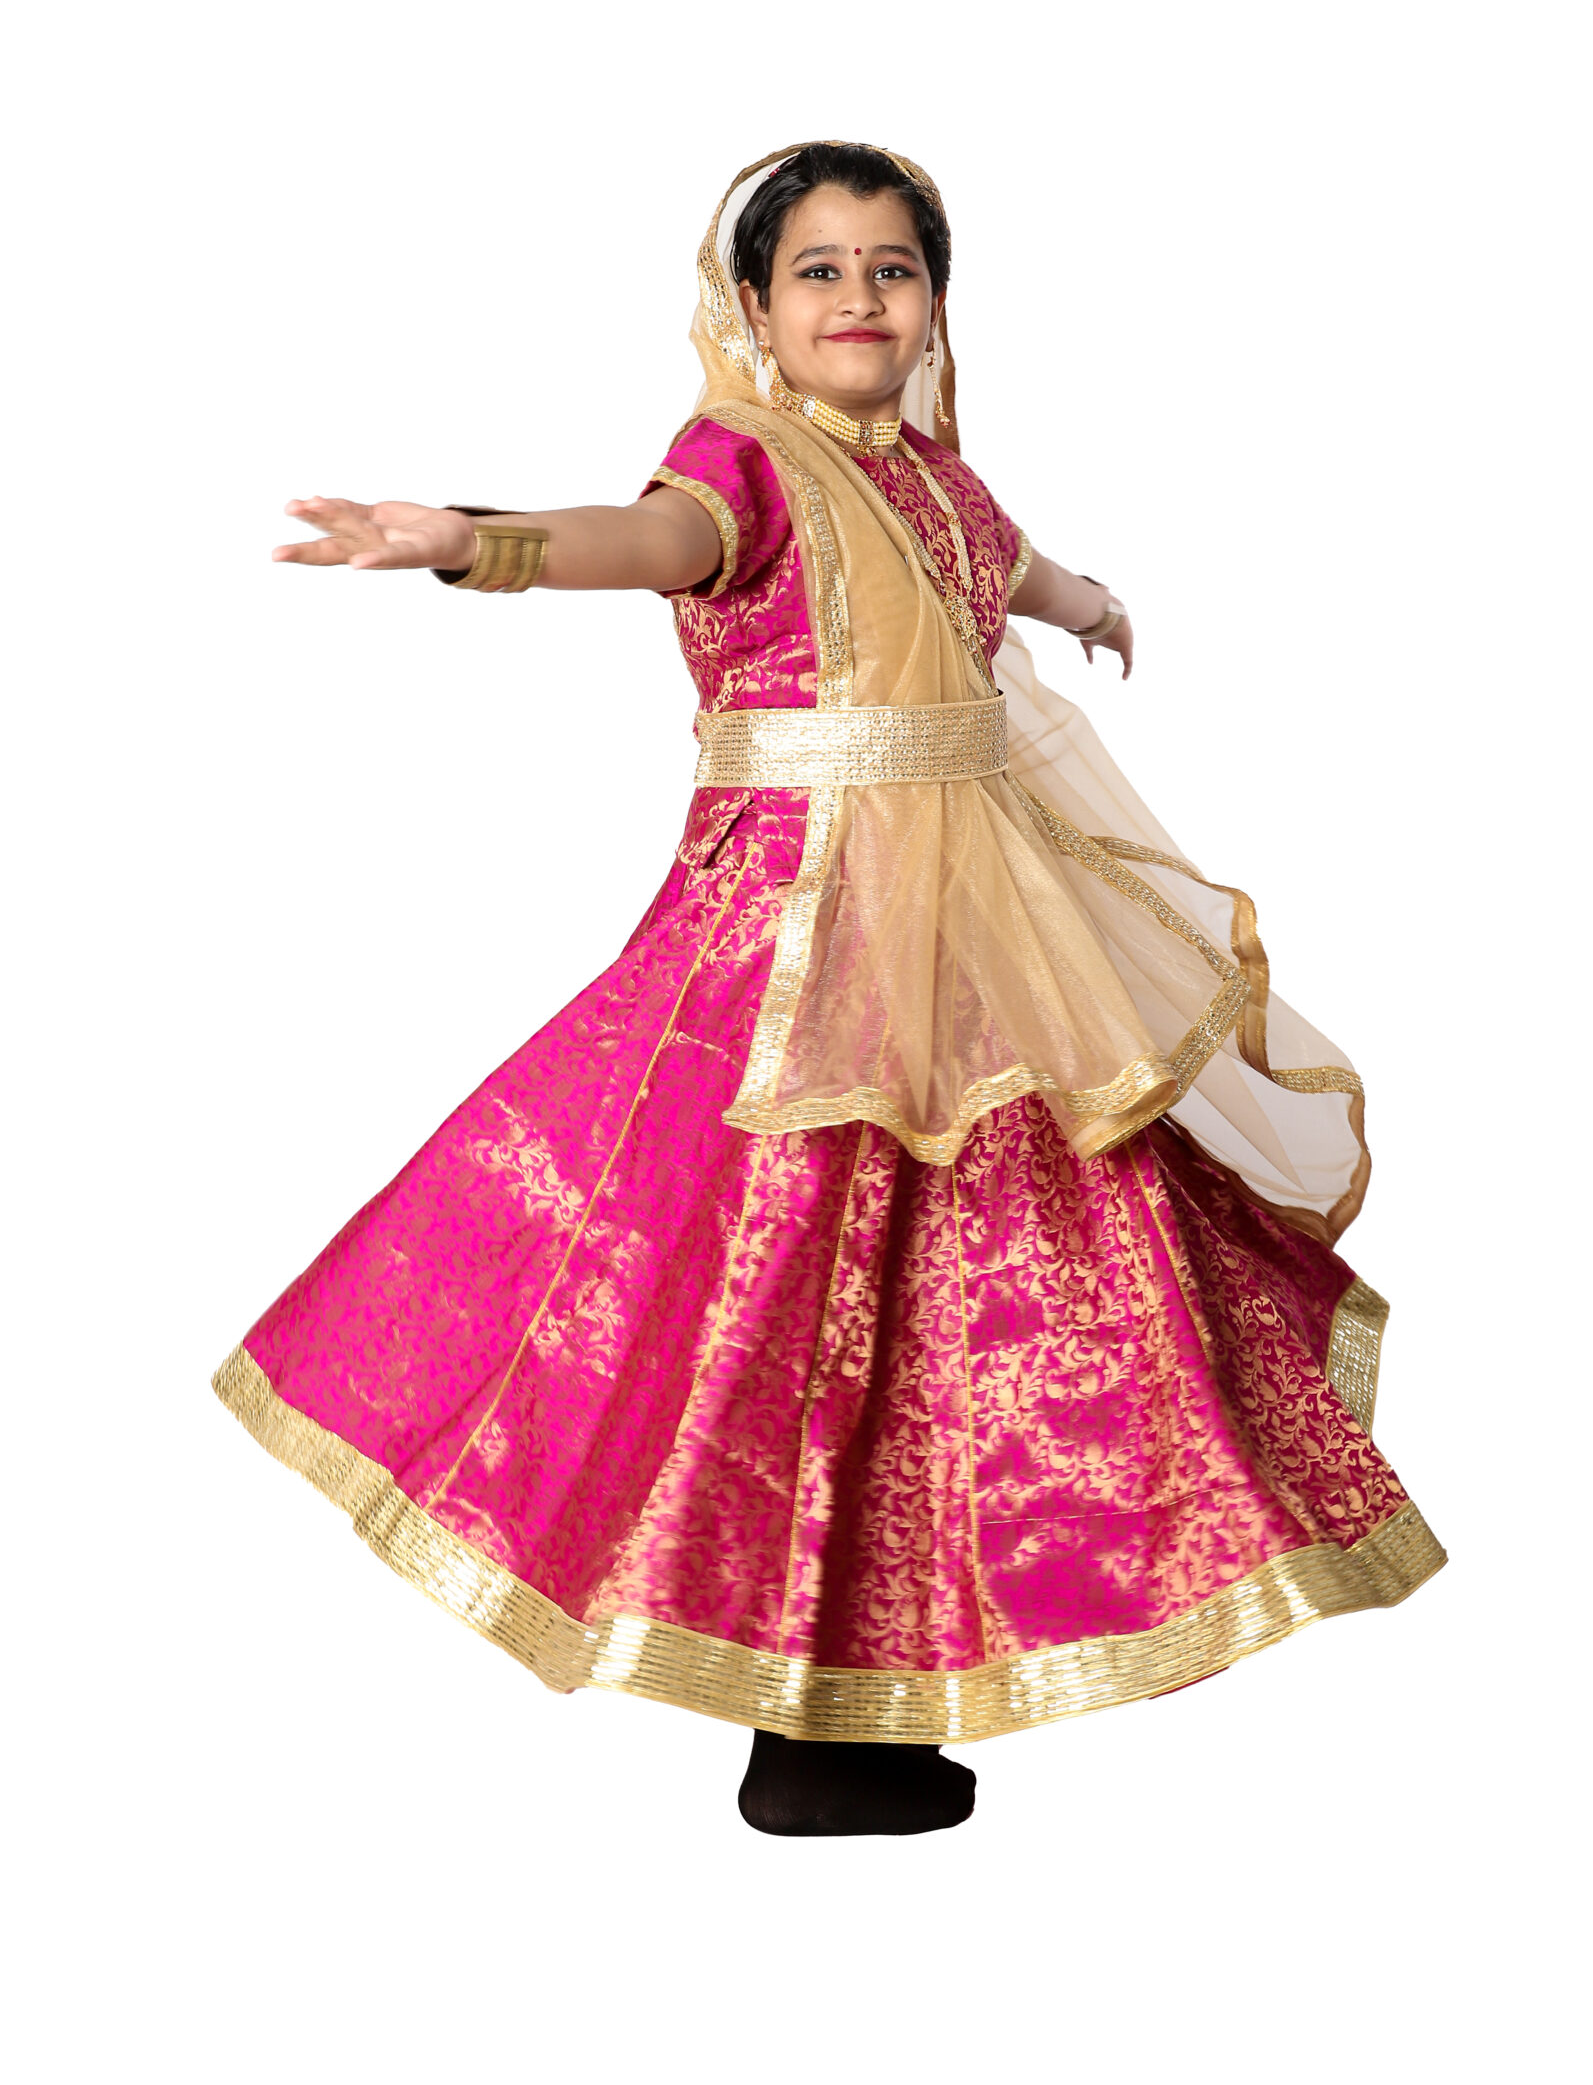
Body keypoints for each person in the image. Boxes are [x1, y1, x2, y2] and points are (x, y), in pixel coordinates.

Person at [215, 140, 1444, 1837]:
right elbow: (646, 540)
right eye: (819, 270)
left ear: (935, 301)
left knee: (977, 1295)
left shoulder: (935, 475)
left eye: (893, 269)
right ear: (753, 303)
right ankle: (793, 1707)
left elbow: (999, 564)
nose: (860, 297)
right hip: (789, 957)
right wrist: (477, 542)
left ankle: (868, 1703)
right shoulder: (744, 463)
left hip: (981, 944)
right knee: (777, 1295)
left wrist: (1089, 601)